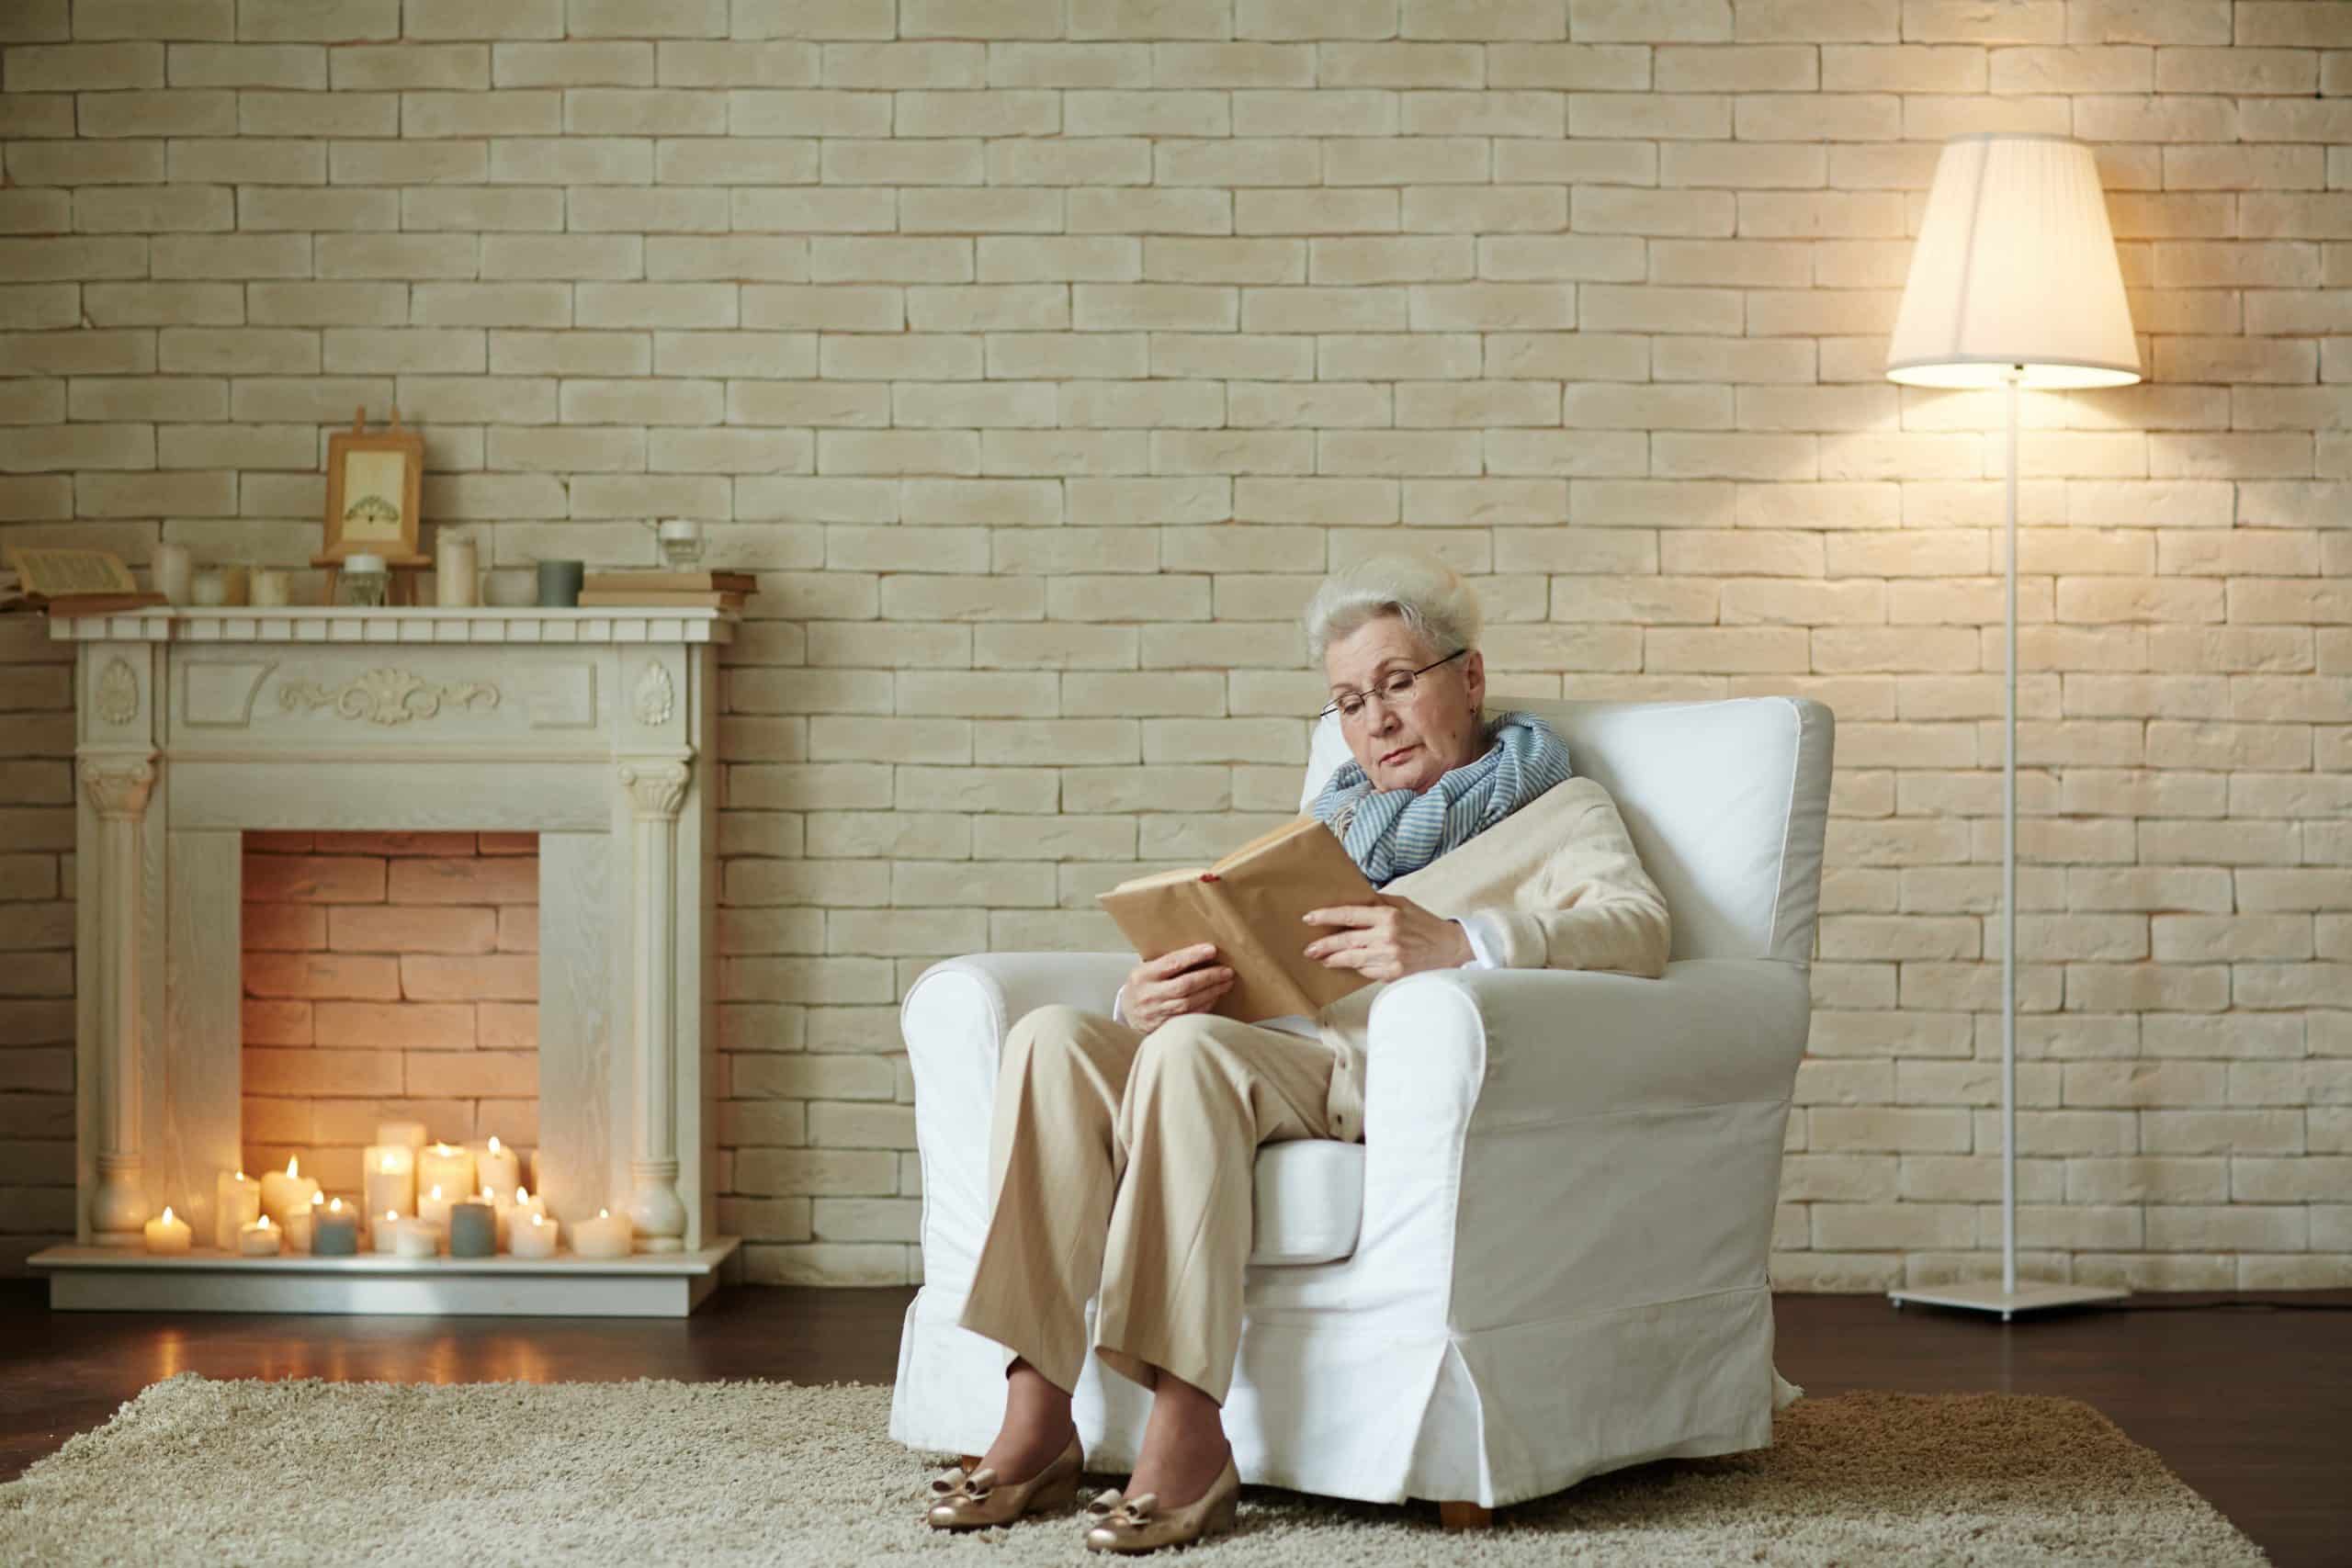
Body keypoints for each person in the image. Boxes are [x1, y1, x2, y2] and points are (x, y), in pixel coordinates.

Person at [922, 555, 1671, 1553]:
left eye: (1399, 683)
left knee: (1187, 1056)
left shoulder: (1557, 810)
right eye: (1350, 701)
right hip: (1252, 1044)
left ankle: (1188, 1430)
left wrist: (1461, 943)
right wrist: (1144, 996)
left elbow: (1638, 928)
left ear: (1470, 677)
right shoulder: (1336, 825)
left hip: (1355, 1075)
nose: (1377, 720)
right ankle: (1036, 1412)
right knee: (1053, 1037)